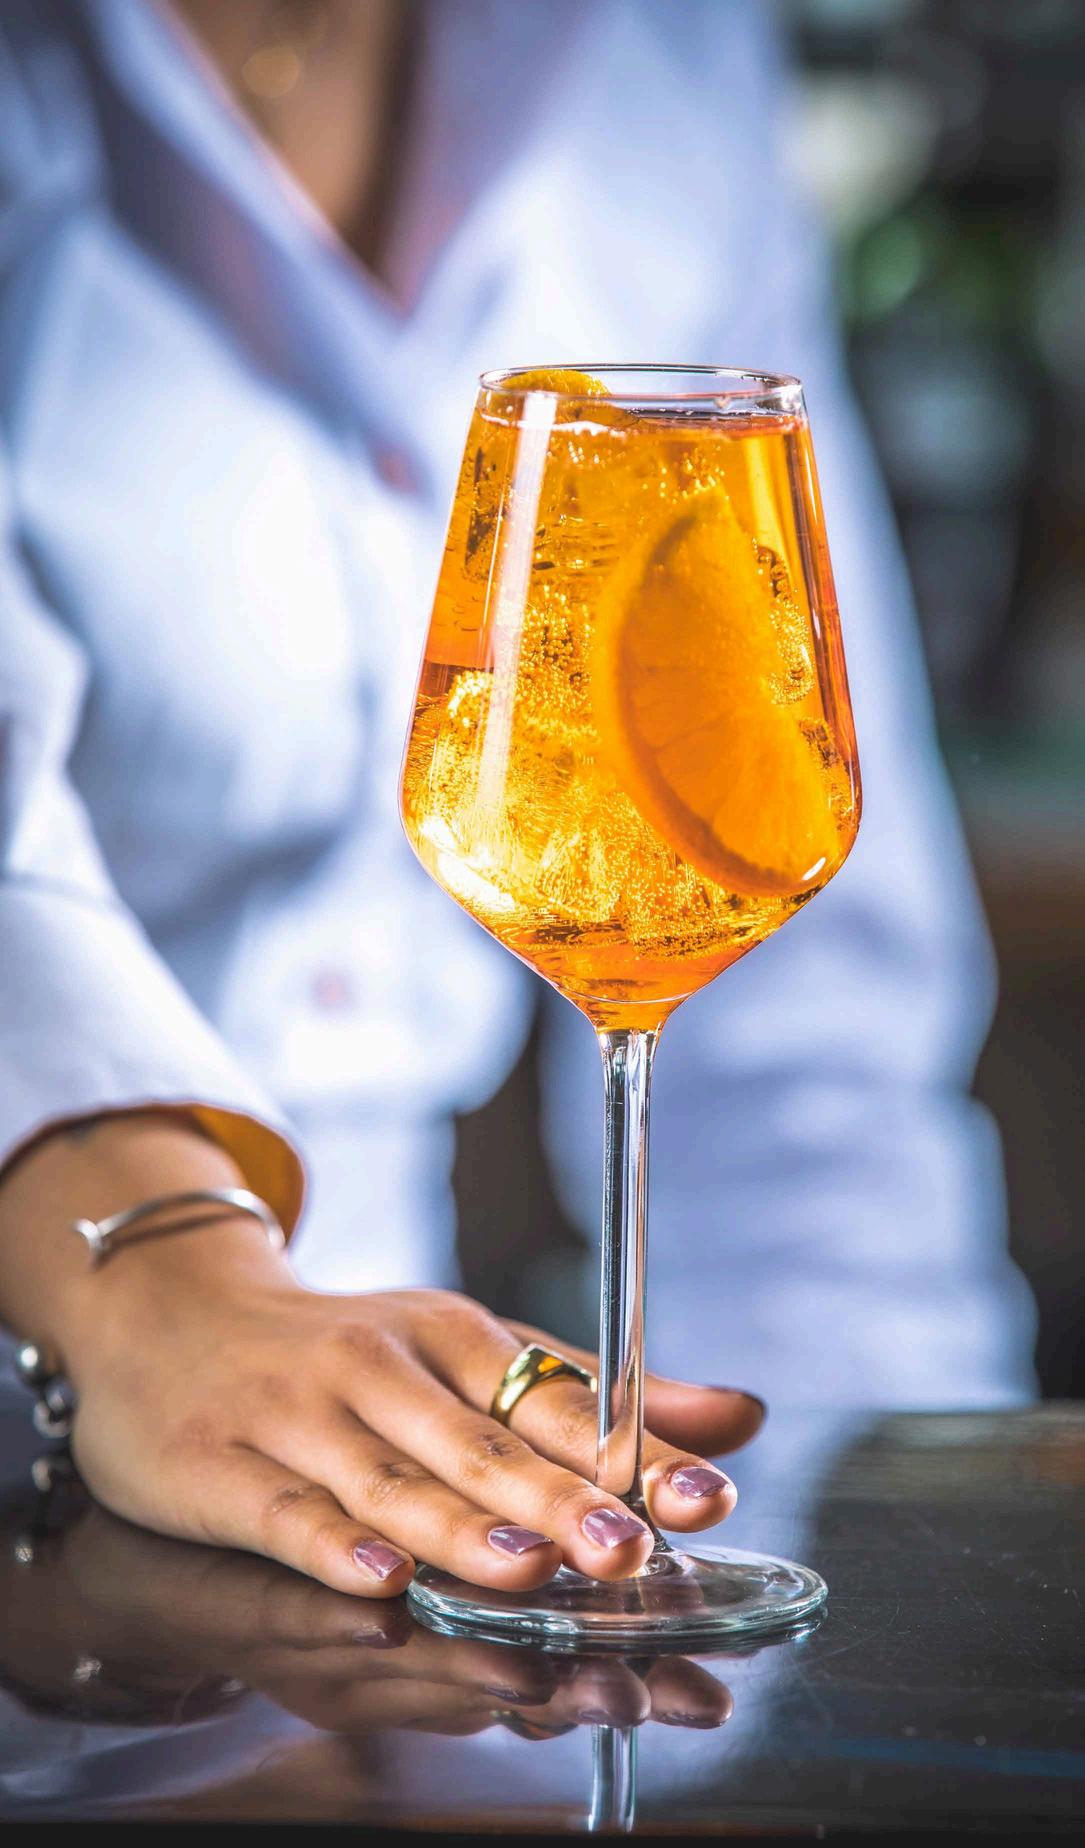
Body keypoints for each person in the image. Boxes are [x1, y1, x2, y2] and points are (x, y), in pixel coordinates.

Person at [0, 0, 1036, 1599]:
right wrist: (154, 1270)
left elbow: (814, 1061)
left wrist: (891, 1568)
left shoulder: (664, 52)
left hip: (390, 1509)